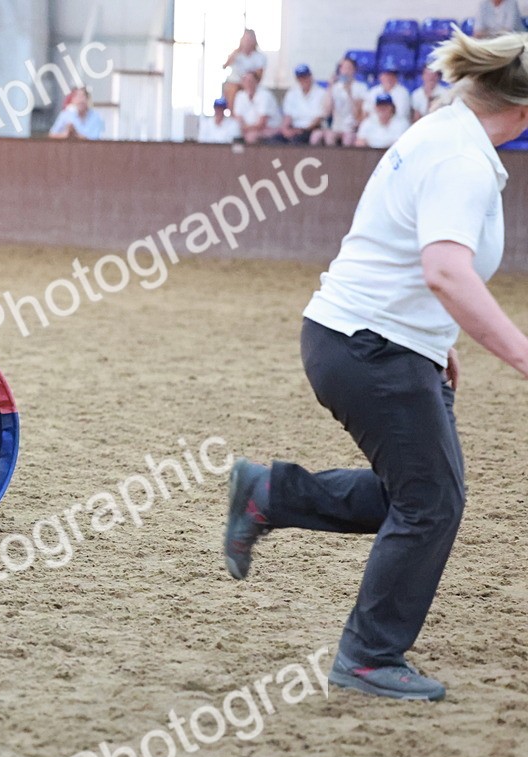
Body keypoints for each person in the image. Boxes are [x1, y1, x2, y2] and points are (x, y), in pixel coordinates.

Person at [222, 29, 528, 702]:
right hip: (371, 349)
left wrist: (432, 334)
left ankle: (268, 493)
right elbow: (445, 269)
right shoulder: (462, 160)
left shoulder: (444, 134)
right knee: (432, 501)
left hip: (367, 339)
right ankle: (367, 656)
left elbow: (400, 245)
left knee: (412, 495)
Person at [313, 56, 367, 146]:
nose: (346, 71)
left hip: (352, 127)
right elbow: (326, 111)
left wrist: (349, 92)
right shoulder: (335, 87)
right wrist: (330, 88)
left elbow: (359, 114)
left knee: (348, 138)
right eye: (343, 68)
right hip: (336, 127)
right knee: (322, 136)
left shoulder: (361, 87)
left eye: (349, 68)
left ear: (354, 70)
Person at [278, 64, 326, 143]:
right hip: (294, 128)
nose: (303, 80)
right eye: (300, 78)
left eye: (305, 77)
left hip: (311, 129)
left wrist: (302, 130)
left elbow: (319, 119)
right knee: (277, 140)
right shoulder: (292, 93)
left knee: (298, 140)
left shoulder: (321, 93)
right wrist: (286, 130)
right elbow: (288, 116)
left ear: (310, 76)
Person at [222, 29, 267, 110]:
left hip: (250, 84)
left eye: (249, 39)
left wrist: (247, 81)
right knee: (232, 89)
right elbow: (224, 66)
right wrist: (234, 53)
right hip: (234, 84)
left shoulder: (260, 57)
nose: (247, 42)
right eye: (245, 39)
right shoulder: (236, 54)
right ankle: (233, 116)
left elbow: (259, 76)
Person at [232, 71, 281, 144]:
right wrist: (244, 129)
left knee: (251, 137)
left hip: (271, 129)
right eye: (245, 81)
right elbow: (238, 118)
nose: (248, 83)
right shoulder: (240, 96)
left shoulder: (265, 95)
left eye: (251, 81)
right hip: (250, 130)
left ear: (257, 82)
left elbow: (262, 123)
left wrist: (245, 129)